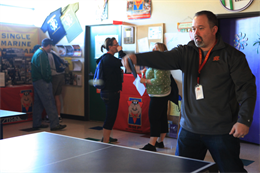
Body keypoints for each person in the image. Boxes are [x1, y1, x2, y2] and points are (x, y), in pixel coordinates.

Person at [122, 10, 256, 173]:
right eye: (193, 29)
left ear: (214, 30)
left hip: (221, 131)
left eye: (200, 28)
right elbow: (163, 58)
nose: (195, 33)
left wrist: (244, 120)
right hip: (189, 130)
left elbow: (247, 89)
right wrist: (137, 58)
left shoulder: (233, 56)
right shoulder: (186, 52)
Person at [139, 43, 171, 152]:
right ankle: (160, 142)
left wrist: (144, 80)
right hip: (160, 94)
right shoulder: (158, 62)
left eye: (156, 47)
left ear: (160, 51)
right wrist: (145, 73)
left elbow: (158, 81)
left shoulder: (159, 63)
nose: (152, 49)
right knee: (161, 118)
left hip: (159, 95)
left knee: (154, 118)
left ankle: (151, 144)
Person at [31, 38, 67, 131]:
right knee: (50, 102)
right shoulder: (42, 54)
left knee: (38, 104)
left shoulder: (37, 53)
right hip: (43, 81)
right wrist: (48, 79)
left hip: (37, 81)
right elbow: (44, 69)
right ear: (49, 45)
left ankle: (36, 123)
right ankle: (55, 124)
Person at [97, 37, 126, 143]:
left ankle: (107, 137)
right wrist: (121, 51)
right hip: (111, 92)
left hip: (106, 91)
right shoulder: (109, 59)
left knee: (110, 115)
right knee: (110, 116)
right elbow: (125, 61)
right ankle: (105, 139)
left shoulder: (106, 58)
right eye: (116, 44)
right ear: (110, 47)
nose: (118, 46)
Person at [47, 49, 66, 123]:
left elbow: (48, 66)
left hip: (54, 76)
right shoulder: (55, 53)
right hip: (61, 74)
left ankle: (51, 116)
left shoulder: (47, 55)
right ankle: (58, 116)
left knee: (51, 96)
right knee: (57, 96)